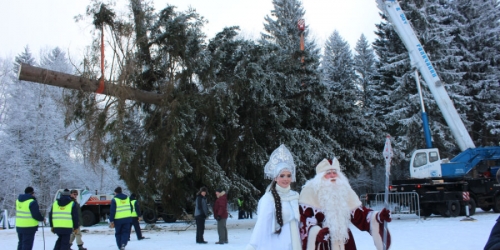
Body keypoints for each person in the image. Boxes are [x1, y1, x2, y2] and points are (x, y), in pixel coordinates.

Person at [299, 158, 392, 250]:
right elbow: (304, 220)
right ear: (320, 176)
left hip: (344, 242)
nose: (332, 175)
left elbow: (360, 215)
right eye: (328, 173)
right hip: (323, 244)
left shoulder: (345, 190)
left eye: (334, 172)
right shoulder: (309, 191)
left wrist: (378, 217)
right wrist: (317, 234)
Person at [246, 144, 302, 250]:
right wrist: (252, 245)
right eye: (282, 176)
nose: (286, 179)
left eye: (288, 175)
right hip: (276, 243)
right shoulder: (268, 199)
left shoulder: (295, 196)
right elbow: (261, 224)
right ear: (275, 178)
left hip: (295, 243)